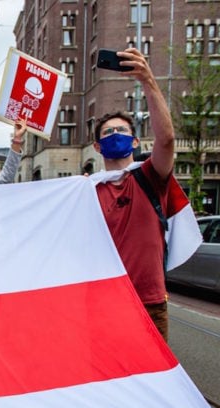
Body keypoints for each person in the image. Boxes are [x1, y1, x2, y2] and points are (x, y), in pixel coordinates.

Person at [91, 48, 176, 341]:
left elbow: (166, 140)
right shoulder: (86, 191)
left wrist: (148, 81)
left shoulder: (150, 177)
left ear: (136, 141)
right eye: (107, 132)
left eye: (122, 130)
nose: (115, 134)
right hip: (103, 302)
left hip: (148, 303)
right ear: (98, 148)